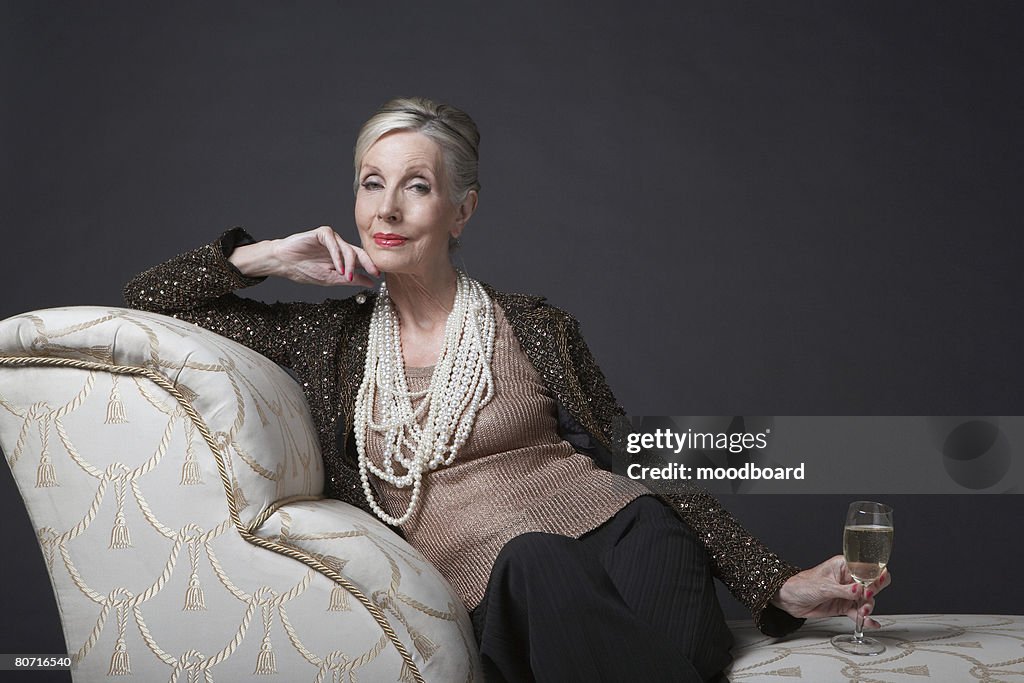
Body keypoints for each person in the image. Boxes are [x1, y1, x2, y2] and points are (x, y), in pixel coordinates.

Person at [124, 96, 891, 682]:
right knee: (534, 559)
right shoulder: (328, 341)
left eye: (416, 186)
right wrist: (263, 257)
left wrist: (776, 583)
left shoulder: (533, 323)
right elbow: (145, 303)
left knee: (645, 580)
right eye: (371, 183)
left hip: (632, 536)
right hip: (506, 581)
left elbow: (635, 450)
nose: (386, 208)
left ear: (462, 210)